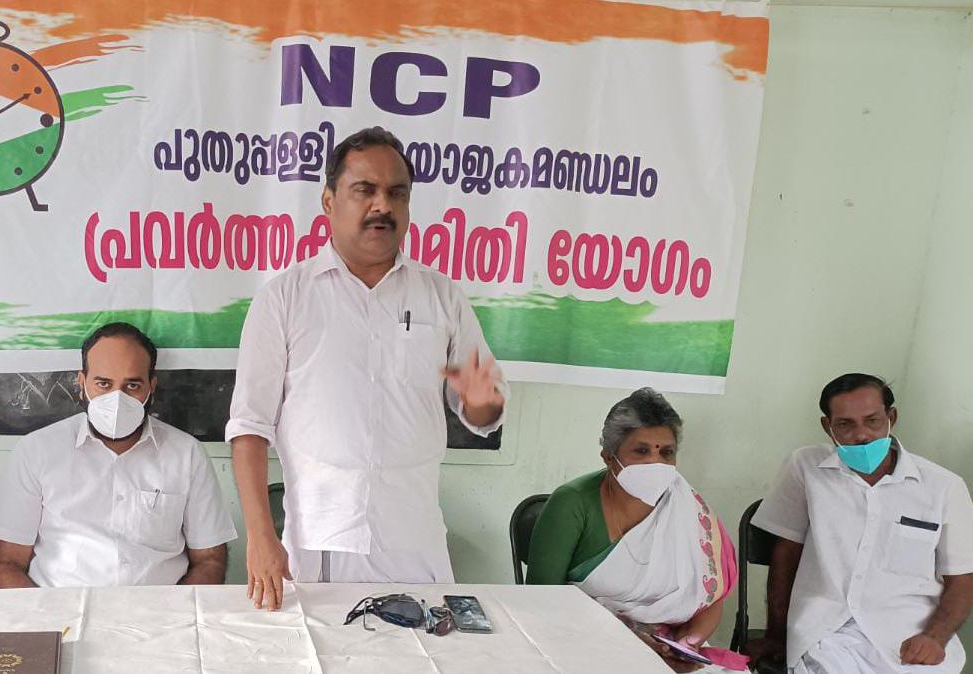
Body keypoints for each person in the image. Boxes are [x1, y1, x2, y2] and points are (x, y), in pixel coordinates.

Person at [228, 126, 509, 610]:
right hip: (321, 544)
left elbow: (482, 415)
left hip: (416, 541)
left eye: (397, 193)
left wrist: (483, 402)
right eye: (365, 190)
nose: (383, 205)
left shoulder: (441, 296)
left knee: (429, 650)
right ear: (329, 201)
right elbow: (249, 428)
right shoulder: (285, 298)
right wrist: (260, 536)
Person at [0, 322, 237, 588]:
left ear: (152, 386)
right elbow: (7, 563)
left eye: (132, 385)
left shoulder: (187, 454)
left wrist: (173, 611)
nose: (117, 399)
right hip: (60, 609)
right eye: (103, 384)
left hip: (157, 611)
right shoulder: (37, 451)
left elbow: (210, 560)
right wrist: (47, 613)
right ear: (82, 383)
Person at [748, 373, 973, 673]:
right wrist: (777, 635)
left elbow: (962, 579)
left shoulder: (944, 487)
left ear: (891, 417)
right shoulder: (806, 468)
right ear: (827, 426)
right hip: (827, 632)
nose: (862, 435)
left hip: (910, 634)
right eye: (845, 424)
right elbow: (786, 554)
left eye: (872, 421)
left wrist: (935, 636)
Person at [526, 388, 745, 672]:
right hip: (582, 644)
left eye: (666, 453)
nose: (656, 463)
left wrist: (688, 644)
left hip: (670, 650)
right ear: (608, 456)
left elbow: (710, 599)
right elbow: (540, 602)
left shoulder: (687, 506)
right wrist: (628, 641)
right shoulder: (572, 503)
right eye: (642, 451)